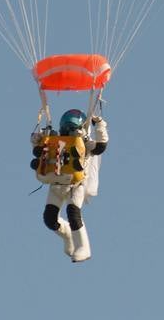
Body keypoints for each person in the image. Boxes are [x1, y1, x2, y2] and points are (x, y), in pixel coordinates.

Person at [30, 108, 109, 262]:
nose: (69, 131)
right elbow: (40, 153)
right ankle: (68, 236)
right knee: (49, 218)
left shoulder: (85, 143)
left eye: (72, 128)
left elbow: (100, 147)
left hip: (76, 185)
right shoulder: (55, 141)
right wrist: (37, 140)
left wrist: (100, 124)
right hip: (56, 183)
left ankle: (83, 247)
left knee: (73, 212)